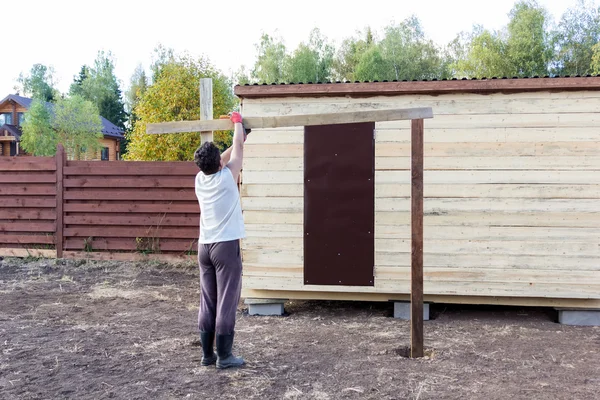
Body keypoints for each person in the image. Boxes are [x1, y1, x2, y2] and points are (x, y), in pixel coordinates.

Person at [193, 111, 247, 369]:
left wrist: (241, 136)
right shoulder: (227, 179)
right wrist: (238, 123)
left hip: (204, 247)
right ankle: (224, 356)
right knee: (226, 300)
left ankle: (207, 354)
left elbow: (224, 158)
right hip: (225, 247)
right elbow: (235, 153)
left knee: (208, 300)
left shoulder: (199, 180)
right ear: (218, 164)